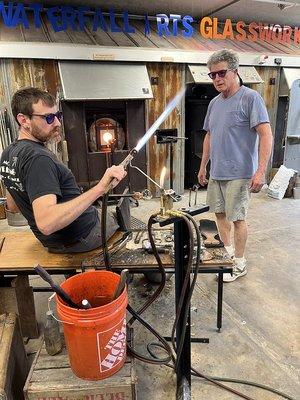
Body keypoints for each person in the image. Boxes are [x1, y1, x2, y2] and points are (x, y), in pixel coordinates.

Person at [0, 87, 127, 253]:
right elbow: (47, 224)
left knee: (105, 213)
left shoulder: (8, 153)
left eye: (57, 116)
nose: (58, 123)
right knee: (123, 221)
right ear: (24, 120)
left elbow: (14, 206)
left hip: (54, 242)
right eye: (49, 118)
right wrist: (100, 189)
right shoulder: (38, 159)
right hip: (81, 237)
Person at [198, 49, 273, 282]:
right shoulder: (214, 103)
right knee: (219, 215)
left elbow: (266, 134)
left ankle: (239, 263)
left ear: (234, 72)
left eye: (221, 73)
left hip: (240, 173)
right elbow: (209, 136)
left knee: (237, 218)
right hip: (217, 172)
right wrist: (203, 167)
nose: (217, 79)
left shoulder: (250, 98)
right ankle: (227, 253)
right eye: (212, 75)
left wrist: (260, 170)